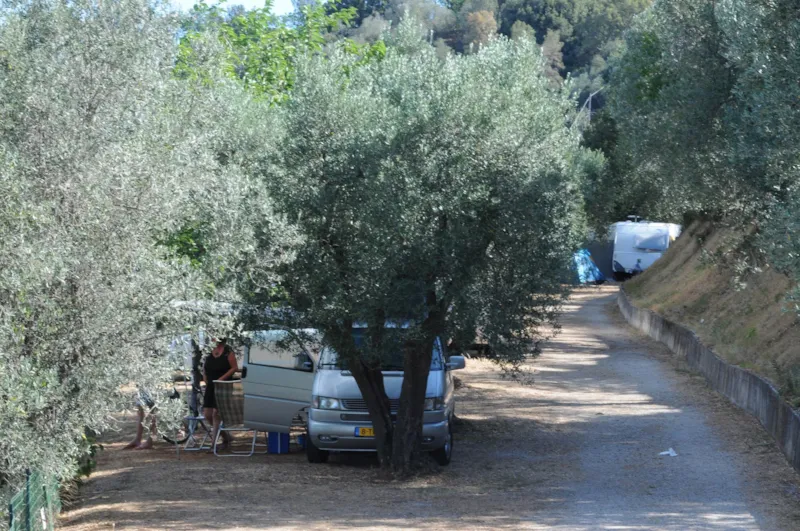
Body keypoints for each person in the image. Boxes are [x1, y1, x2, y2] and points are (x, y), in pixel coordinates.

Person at [203, 338, 239, 450]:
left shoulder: (228, 352)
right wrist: (206, 379)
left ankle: (213, 444)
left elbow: (234, 368)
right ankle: (226, 436)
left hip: (223, 386)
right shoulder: (209, 351)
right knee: (207, 414)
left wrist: (221, 379)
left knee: (216, 413)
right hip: (210, 386)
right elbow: (204, 368)